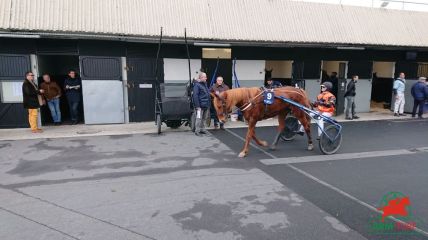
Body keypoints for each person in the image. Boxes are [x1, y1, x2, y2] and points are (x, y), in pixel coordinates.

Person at [192, 72, 211, 136]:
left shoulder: (205, 84)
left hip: (206, 105)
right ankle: (197, 131)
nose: (206, 78)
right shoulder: (197, 85)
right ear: (200, 77)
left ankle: (202, 129)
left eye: (206, 77)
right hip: (200, 106)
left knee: (204, 118)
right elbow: (195, 96)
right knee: (199, 118)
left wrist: (208, 105)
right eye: (204, 77)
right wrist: (198, 106)